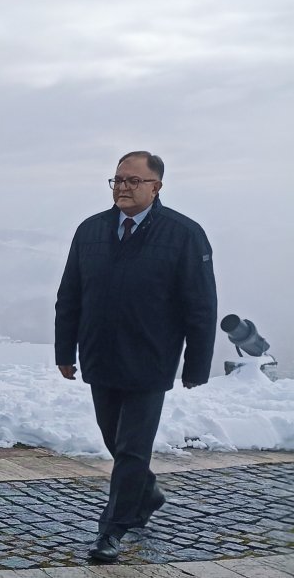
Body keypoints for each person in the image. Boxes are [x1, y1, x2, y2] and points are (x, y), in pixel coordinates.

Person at [55, 151, 217, 563]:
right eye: (117, 181)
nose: (123, 188)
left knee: (131, 449)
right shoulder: (90, 231)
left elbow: (200, 304)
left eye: (132, 181)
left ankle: (112, 529)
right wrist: (64, 350)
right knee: (115, 441)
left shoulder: (184, 234)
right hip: (100, 355)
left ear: (156, 186)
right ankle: (146, 494)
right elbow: (70, 295)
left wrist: (196, 364)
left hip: (151, 359)